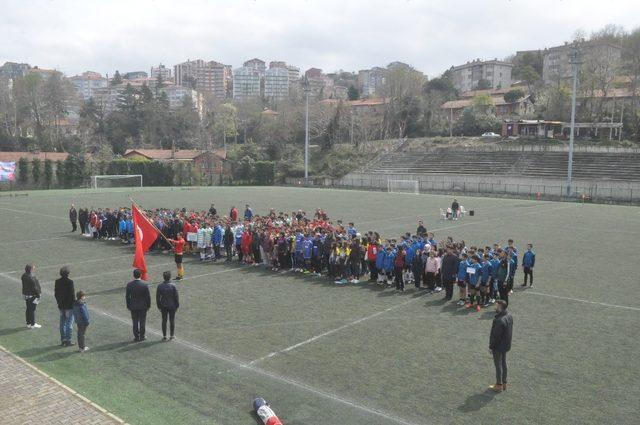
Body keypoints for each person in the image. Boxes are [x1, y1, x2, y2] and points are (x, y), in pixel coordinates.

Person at [489, 300, 513, 392]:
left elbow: (495, 336)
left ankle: (499, 384)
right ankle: (504, 382)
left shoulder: (499, 320)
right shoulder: (509, 316)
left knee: (498, 364)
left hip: (498, 346)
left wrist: (491, 347)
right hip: (506, 345)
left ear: (500, 307)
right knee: (503, 362)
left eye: (496, 306)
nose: (495, 308)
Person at [126, 269, 151, 342]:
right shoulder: (144, 284)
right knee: (142, 321)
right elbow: (148, 297)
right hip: (143, 306)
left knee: (135, 322)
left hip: (133, 306)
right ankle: (142, 336)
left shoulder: (129, 284)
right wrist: (148, 305)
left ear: (133, 275)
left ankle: (136, 337)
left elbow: (127, 296)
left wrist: (128, 305)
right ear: (140, 275)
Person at [54, 266, 75, 346]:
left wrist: (59, 302)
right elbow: (72, 295)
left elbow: (56, 293)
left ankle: (63, 340)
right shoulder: (70, 282)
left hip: (61, 305)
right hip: (69, 306)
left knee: (62, 323)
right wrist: (73, 304)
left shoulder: (57, 281)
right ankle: (68, 340)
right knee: (69, 323)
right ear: (68, 274)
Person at [156, 271, 179, 341]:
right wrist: (177, 306)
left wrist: (159, 306)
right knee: (172, 321)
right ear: (170, 277)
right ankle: (172, 336)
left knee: (164, 320)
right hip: (172, 306)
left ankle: (164, 336)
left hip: (163, 306)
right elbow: (176, 297)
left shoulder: (160, 286)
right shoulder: (173, 286)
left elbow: (157, 298)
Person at [21, 264, 42, 329]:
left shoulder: (23, 275)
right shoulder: (31, 277)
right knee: (32, 310)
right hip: (33, 296)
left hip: (26, 295)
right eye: (33, 268)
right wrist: (38, 295)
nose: (33, 269)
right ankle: (33, 324)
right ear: (30, 269)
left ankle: (28, 323)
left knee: (28, 309)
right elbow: (35, 288)